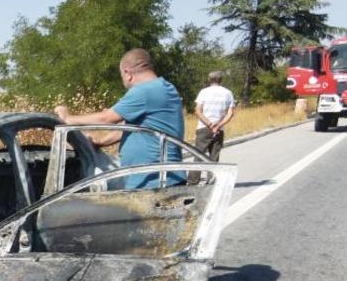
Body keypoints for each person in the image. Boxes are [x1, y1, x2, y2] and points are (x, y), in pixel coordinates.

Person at [53, 48, 184, 188]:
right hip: (162, 178)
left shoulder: (144, 91)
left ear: (127, 73)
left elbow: (107, 118)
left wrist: (68, 118)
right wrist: (101, 142)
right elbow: (134, 128)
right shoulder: (165, 87)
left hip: (154, 182)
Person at [193, 71, 235, 162]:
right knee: (214, 159)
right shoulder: (228, 93)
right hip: (219, 130)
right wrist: (219, 125)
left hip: (203, 127)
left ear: (209, 80)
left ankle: (194, 177)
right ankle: (212, 176)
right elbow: (230, 113)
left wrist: (209, 124)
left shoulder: (203, 92)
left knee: (198, 157)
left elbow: (197, 111)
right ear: (221, 80)